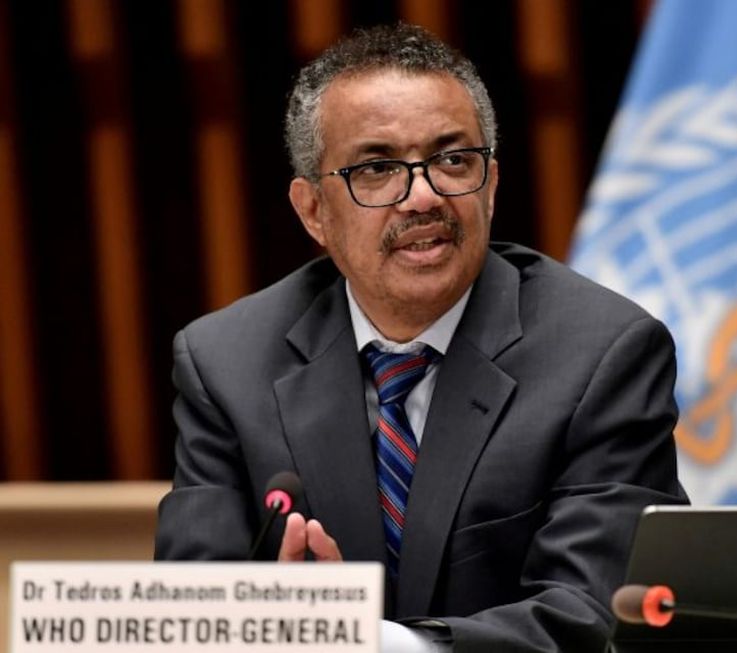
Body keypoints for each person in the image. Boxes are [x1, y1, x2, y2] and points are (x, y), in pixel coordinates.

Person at [155, 22, 688, 652]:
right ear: (312, 211)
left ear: (490, 184)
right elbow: (192, 612)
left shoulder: (605, 353)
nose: (424, 196)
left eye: (454, 159)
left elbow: (597, 614)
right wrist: (277, 622)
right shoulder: (225, 363)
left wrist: (367, 642)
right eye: (378, 168)